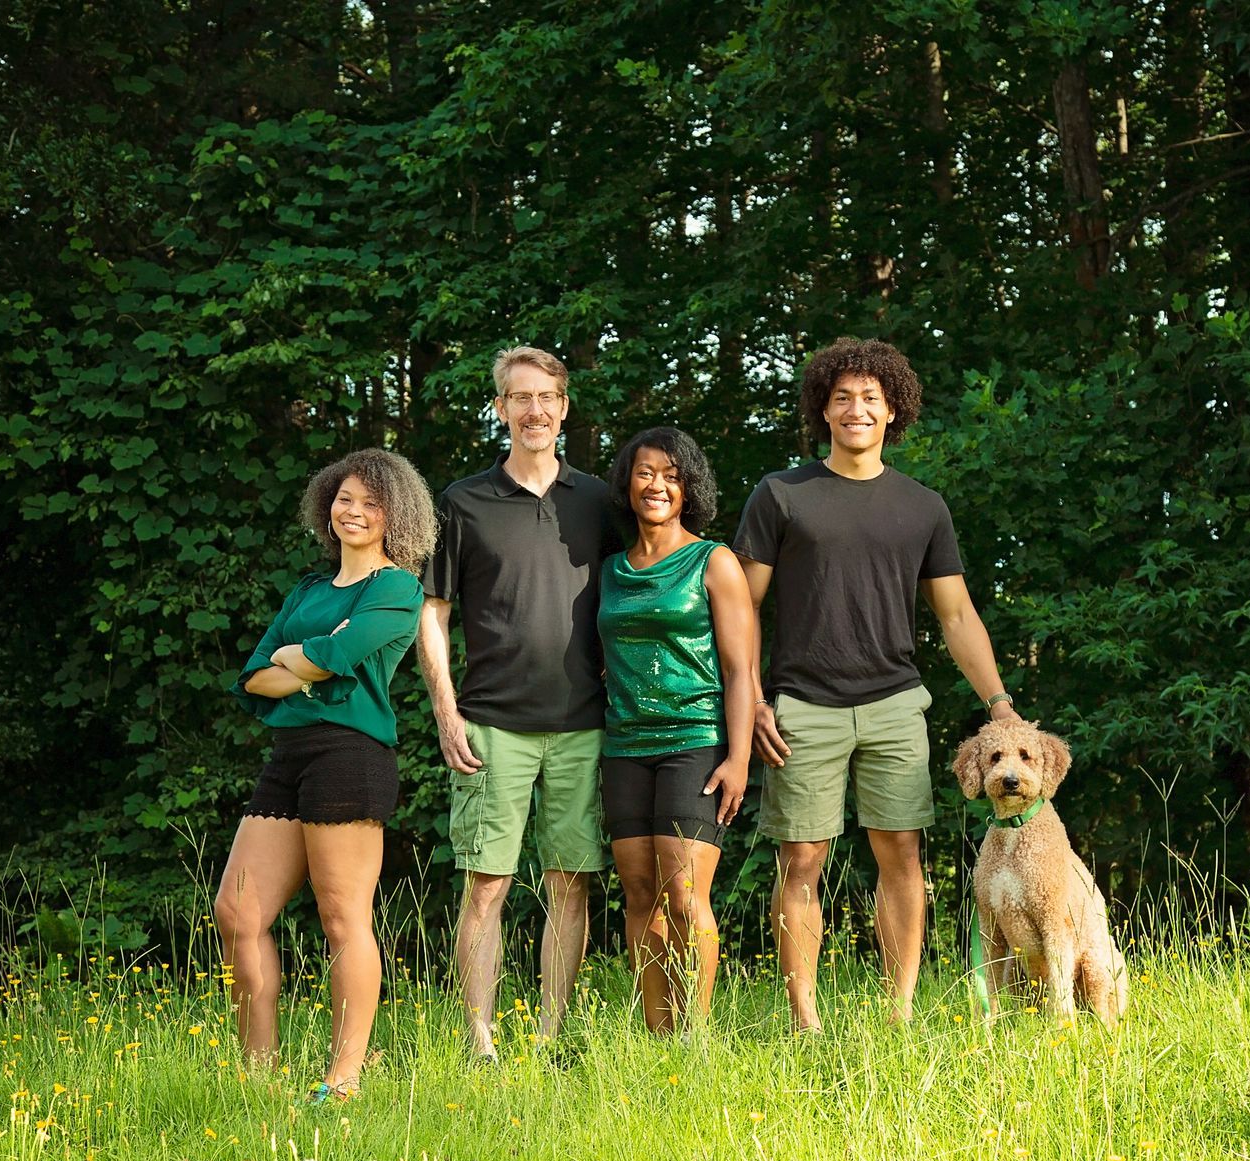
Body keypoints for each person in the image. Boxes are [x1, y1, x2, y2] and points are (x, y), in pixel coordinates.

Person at [733, 337, 1022, 1031]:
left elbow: (956, 616)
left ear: (893, 410)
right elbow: (740, 607)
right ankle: (805, 1020)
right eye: (841, 398)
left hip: (895, 703)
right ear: (822, 412)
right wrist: (748, 696)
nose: (856, 409)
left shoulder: (922, 506)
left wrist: (1001, 706)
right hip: (802, 705)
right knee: (801, 858)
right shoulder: (782, 495)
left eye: (870, 398)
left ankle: (899, 1012)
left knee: (902, 856)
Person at [419, 346, 621, 1056]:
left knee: (570, 885)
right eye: (520, 397)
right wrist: (447, 713)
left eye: (547, 397)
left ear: (565, 408)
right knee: (486, 887)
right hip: (491, 726)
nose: (534, 410)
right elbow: (432, 613)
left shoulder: (599, 501)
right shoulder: (463, 502)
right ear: (500, 408)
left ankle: (549, 1037)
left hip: (584, 725)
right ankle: (480, 1045)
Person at [216, 448, 436, 1102]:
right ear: (327, 504)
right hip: (290, 755)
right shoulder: (310, 592)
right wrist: (305, 661)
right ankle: (258, 1075)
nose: (356, 512)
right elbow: (255, 675)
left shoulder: (397, 587)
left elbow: (343, 654)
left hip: (351, 753)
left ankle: (344, 1080)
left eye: (372, 503)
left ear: (396, 515)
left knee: (343, 917)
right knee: (237, 912)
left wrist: (307, 657)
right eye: (346, 498)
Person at [598, 428, 758, 1032]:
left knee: (686, 898)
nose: (656, 485)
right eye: (644, 473)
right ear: (628, 483)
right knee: (639, 897)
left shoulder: (712, 560)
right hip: (624, 746)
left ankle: (694, 1037)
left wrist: (739, 757)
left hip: (695, 739)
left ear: (688, 487)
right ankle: (657, 1034)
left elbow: (742, 670)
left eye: (670, 474)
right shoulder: (610, 570)